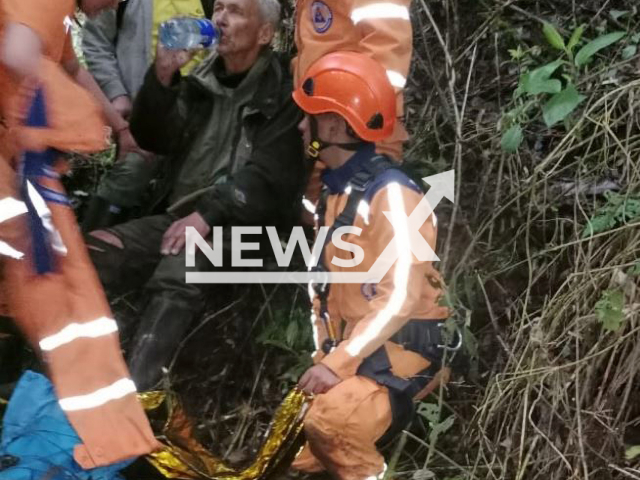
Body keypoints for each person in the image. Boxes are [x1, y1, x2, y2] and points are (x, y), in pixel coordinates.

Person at [86, 0, 306, 391]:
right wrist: (163, 76)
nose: (220, 19)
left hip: (253, 232)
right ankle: (65, 376)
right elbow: (156, 138)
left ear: (265, 34)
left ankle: (136, 395)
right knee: (95, 252)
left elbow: (269, 178)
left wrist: (208, 215)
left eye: (235, 11)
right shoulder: (202, 80)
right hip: (182, 220)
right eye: (218, 8)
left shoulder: (284, 94)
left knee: (182, 265)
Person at [0, 0, 158, 469]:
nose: (113, 6)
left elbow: (68, 67)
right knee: (42, 266)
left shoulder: (62, 12)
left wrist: (120, 128)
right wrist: (72, 118)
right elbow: (17, 52)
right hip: (13, 155)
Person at [289, 51, 453, 480]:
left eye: (310, 117)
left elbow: (401, 297)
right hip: (358, 353)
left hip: (403, 356)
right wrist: (328, 356)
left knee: (331, 424)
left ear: (336, 126)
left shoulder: (393, 196)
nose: (301, 127)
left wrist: (336, 365)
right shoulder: (335, 194)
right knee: (298, 445)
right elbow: (324, 294)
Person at [81, 0, 215, 230]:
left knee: (190, 189)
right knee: (128, 176)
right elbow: (96, 43)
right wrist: (117, 95)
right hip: (144, 107)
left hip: (202, 112)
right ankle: (91, 249)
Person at [293, 0, 413, 210]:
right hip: (325, 131)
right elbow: (312, 50)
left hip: (357, 137)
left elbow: (387, 57)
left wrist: (344, 123)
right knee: (325, 226)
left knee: (361, 227)